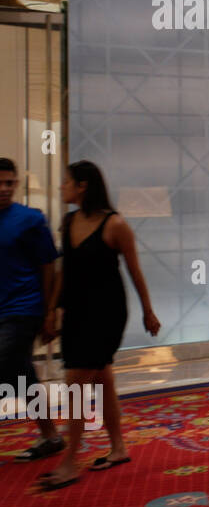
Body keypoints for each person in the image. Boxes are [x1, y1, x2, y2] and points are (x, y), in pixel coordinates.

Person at [40, 162, 161, 489]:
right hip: (77, 313)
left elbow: (135, 272)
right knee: (102, 378)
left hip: (106, 314)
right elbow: (66, 271)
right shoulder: (68, 222)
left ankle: (70, 460)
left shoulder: (115, 224)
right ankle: (118, 447)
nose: (61, 188)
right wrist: (51, 309)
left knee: (76, 384)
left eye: (65, 182)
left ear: (82, 186)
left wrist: (148, 312)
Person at [0, 158, 63, 461]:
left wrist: (49, 311)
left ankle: (50, 434)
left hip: (23, 307)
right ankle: (49, 434)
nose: (4, 189)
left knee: (9, 359)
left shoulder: (30, 219)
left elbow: (48, 265)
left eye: (9, 183)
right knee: (21, 371)